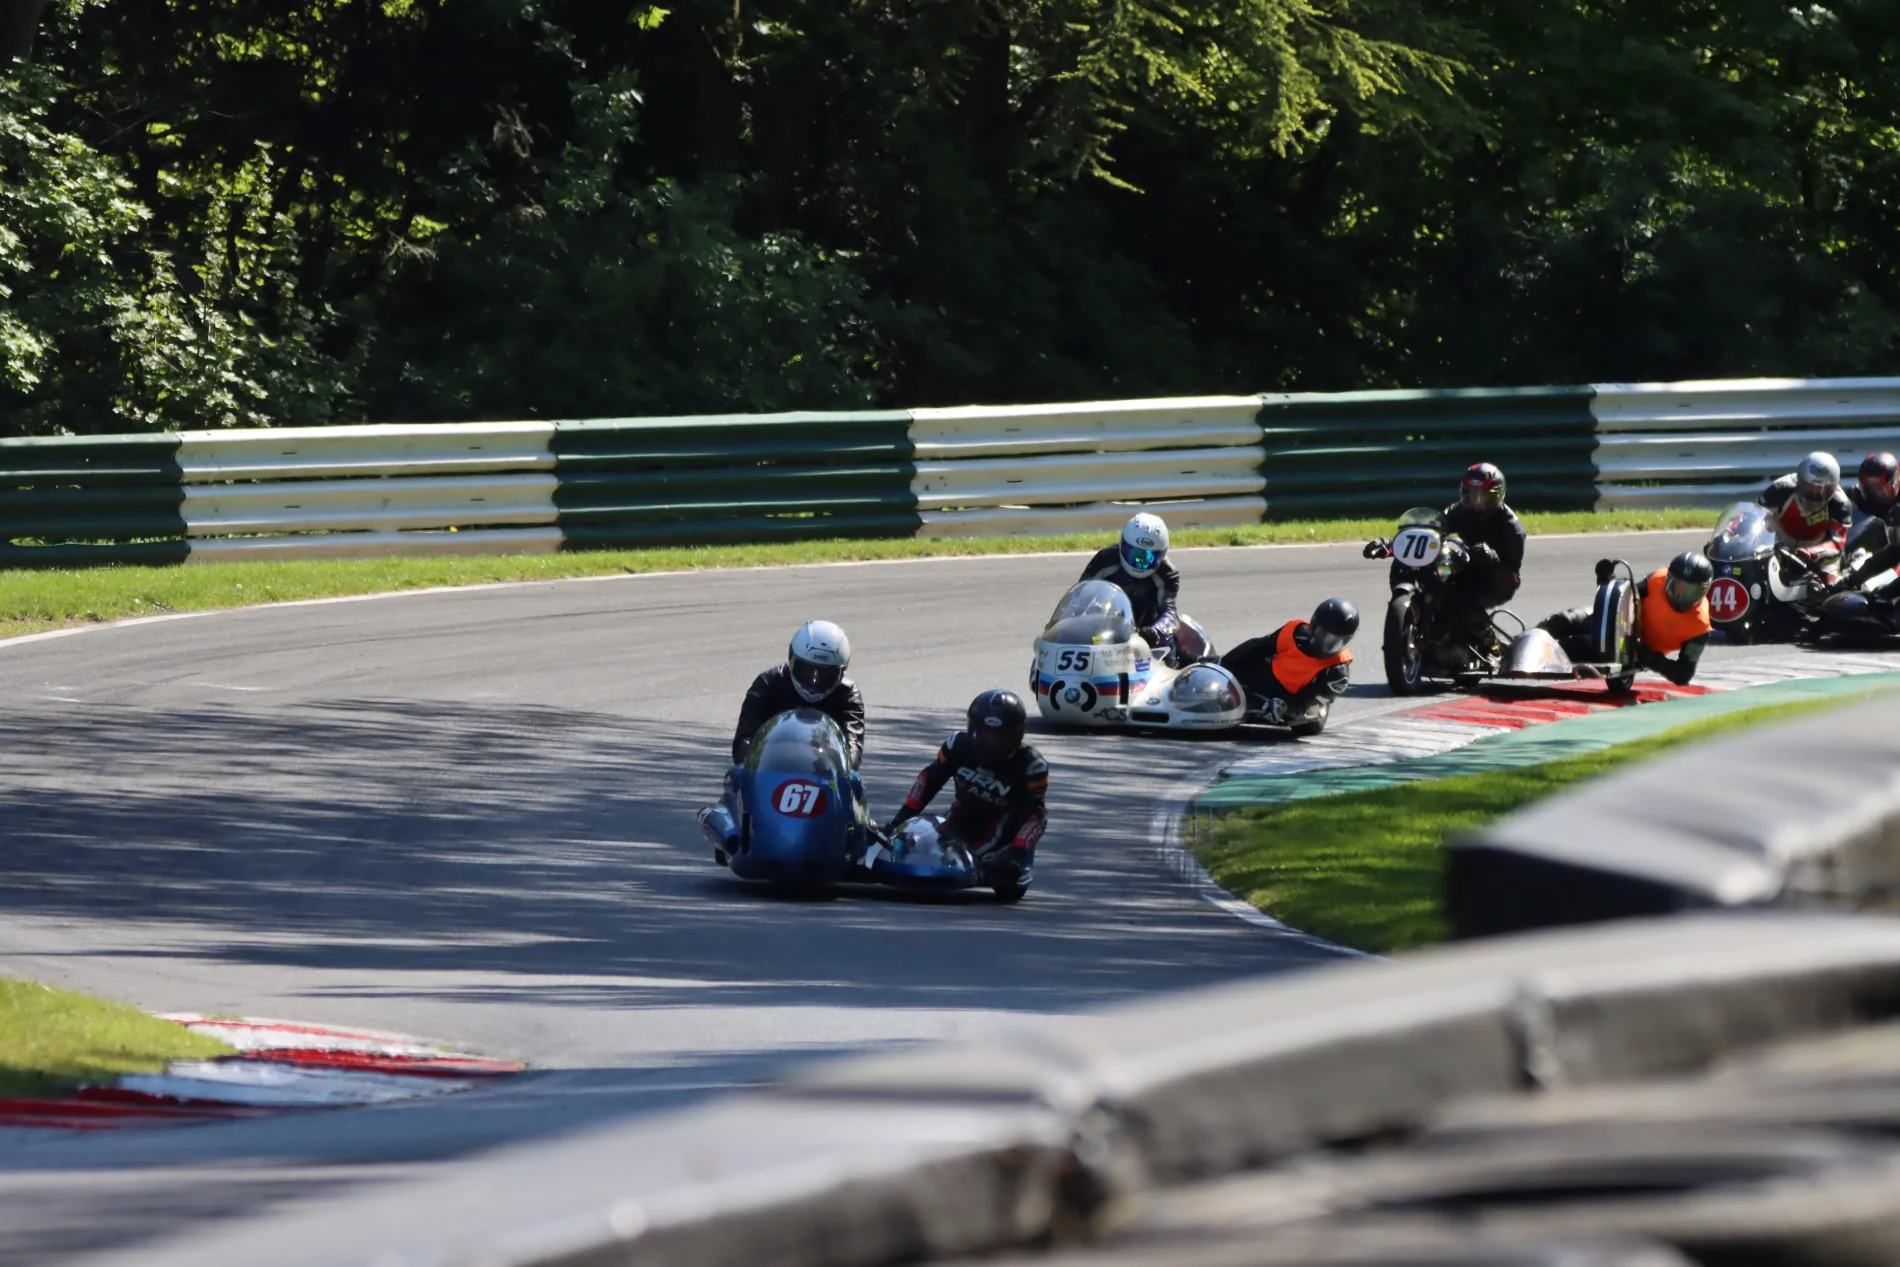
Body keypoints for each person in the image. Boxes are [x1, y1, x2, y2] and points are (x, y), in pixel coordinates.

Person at [885, 689, 1047, 889]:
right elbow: (928, 781)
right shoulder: (958, 745)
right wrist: (899, 820)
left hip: (1002, 836)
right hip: (958, 822)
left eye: (1000, 737)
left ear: (1016, 735)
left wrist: (1017, 852)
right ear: (972, 729)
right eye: (985, 735)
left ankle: (1002, 864)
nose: (991, 743)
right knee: (907, 843)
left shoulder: (1031, 765)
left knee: (1003, 876)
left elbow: (1036, 817)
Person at [1538, 552, 1714, 687]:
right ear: (1668, 578)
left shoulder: (1700, 625)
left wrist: (1653, 659)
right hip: (1619, 622)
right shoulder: (1657, 579)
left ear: (1704, 591)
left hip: (1632, 648)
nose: (1681, 597)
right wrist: (1607, 583)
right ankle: (1522, 643)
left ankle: (1538, 656)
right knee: (1565, 619)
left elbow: (1684, 674)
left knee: (1579, 643)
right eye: (1677, 587)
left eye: (1692, 592)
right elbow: (1625, 595)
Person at [731, 620, 865, 768]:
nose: (814, 682)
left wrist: (848, 768)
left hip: (824, 774)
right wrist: (747, 762)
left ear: (841, 673)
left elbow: (853, 743)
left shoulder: (848, 695)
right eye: (807, 671)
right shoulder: (768, 684)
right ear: (792, 660)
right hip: (769, 770)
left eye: (826, 675)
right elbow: (745, 736)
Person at [1079, 513, 1203, 663]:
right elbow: (1081, 596)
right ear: (1122, 545)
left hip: (1147, 639)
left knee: (1169, 660)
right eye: (1134, 554)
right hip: (1105, 633)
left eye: (1148, 558)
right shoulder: (1105, 560)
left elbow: (1170, 613)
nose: (1139, 563)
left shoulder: (1167, 573)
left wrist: (1155, 632)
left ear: (1162, 555)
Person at [1220, 598, 1357, 724]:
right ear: (1313, 626)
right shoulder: (1295, 632)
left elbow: (1309, 702)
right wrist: (1225, 663)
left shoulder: (1338, 672)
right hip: (1268, 678)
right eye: (1322, 635)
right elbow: (1258, 647)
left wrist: (1283, 707)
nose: (1325, 644)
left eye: (1334, 642)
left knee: (1306, 724)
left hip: (1295, 703)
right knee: (1237, 665)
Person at [1441, 462, 1526, 657]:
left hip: (1496, 580)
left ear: (1497, 495)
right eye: (1472, 495)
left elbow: (1511, 575)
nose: (1477, 502)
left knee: (1466, 602)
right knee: (1435, 580)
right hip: (1468, 568)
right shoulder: (1461, 510)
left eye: (1484, 496)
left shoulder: (1512, 529)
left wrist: (1492, 558)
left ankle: (1490, 642)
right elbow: (1439, 522)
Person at [1759, 451, 1852, 577]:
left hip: (1821, 552)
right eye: (1809, 488)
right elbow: (1754, 519)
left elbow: (1836, 543)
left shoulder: (1841, 504)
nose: (1814, 495)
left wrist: (1812, 552)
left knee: (1828, 590)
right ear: (1799, 481)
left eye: (1821, 491)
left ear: (1833, 487)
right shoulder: (1780, 490)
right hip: (1779, 546)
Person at [1847, 452, 1900, 557]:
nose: (1876, 493)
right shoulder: (1856, 497)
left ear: (1895, 483)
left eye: (1881, 489)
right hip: (1866, 553)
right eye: (1870, 489)